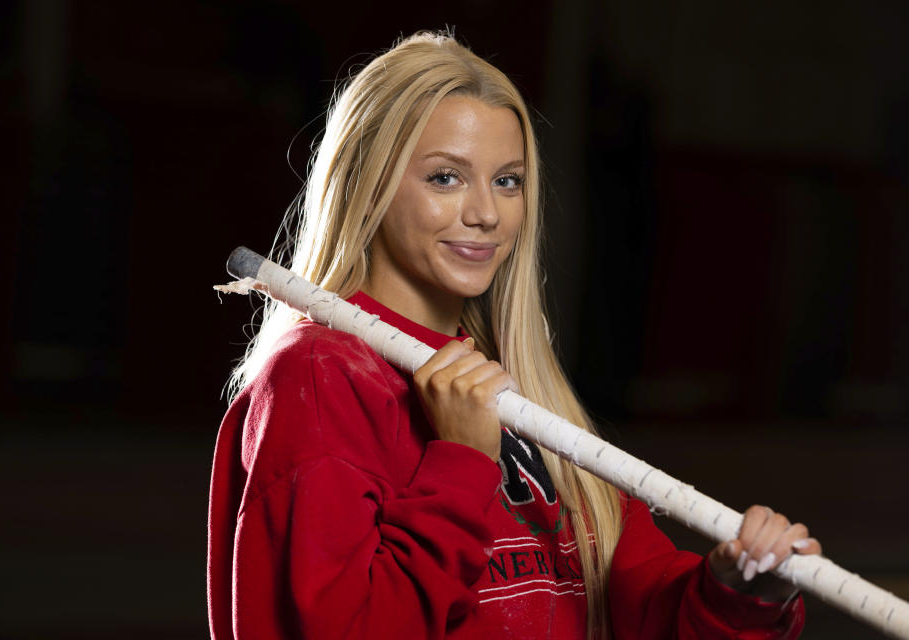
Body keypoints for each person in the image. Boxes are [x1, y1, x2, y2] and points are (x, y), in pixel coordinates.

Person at [208, 31, 821, 639]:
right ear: (368, 184)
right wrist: (464, 463)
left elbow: (635, 603)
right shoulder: (320, 375)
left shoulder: (515, 378)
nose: (487, 213)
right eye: (445, 178)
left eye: (508, 180)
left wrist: (736, 596)